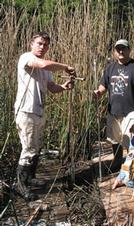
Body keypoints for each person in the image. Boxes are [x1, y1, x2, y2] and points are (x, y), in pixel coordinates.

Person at [14, 31, 76, 201]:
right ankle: (21, 186)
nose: (42, 47)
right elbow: (41, 65)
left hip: (39, 111)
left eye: (45, 45)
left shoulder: (46, 68)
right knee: (28, 149)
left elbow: (51, 87)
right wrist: (65, 67)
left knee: (36, 147)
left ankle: (30, 178)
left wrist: (64, 87)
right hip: (26, 111)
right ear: (31, 44)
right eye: (39, 43)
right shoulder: (27, 58)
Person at [93, 39, 134, 170]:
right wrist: (98, 92)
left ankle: (133, 169)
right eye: (118, 49)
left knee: (132, 142)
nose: (121, 51)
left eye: (124, 48)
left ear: (129, 50)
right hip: (113, 111)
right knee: (114, 140)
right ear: (114, 51)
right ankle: (118, 162)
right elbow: (103, 85)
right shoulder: (110, 68)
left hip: (131, 113)